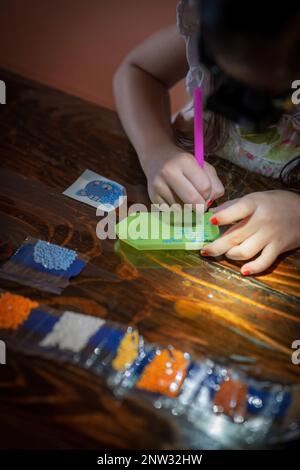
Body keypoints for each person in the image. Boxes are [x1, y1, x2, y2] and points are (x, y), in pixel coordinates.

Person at [113, 0, 300, 275]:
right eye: (227, 81)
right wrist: (156, 152)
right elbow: (138, 72)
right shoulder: (210, 24)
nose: (241, 109)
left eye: (270, 97)